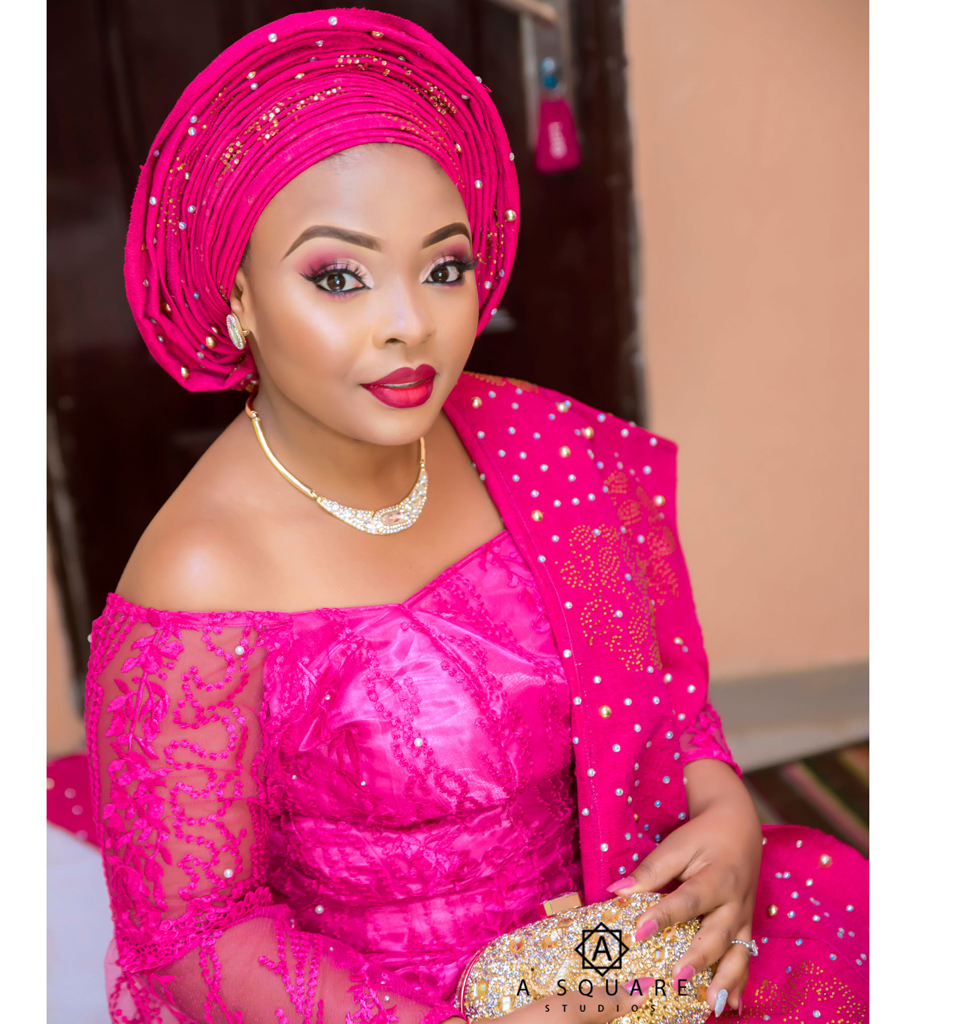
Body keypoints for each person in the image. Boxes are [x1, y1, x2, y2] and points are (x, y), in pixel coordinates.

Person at [84, 9, 868, 1024]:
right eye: (338, 276)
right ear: (235, 293)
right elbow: (194, 933)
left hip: (612, 951)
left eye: (443, 267)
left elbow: (656, 704)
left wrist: (722, 808)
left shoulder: (532, 444)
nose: (409, 322)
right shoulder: (197, 575)